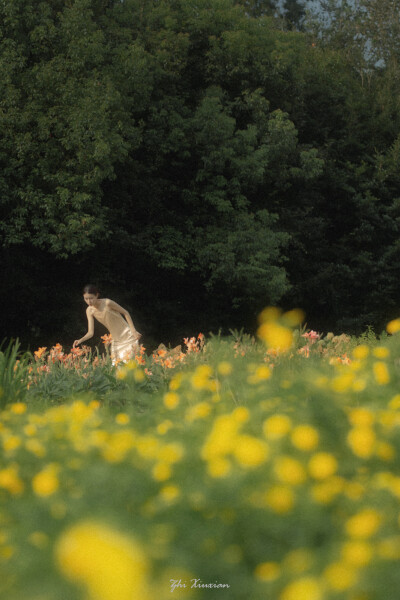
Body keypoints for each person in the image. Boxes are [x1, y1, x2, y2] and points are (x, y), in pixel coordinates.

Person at [73, 284, 142, 363]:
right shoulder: (89, 311)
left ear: (97, 295)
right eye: (86, 299)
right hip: (116, 341)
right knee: (116, 369)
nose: (89, 301)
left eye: (91, 298)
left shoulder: (107, 303)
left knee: (130, 367)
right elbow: (90, 333)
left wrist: (133, 331)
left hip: (128, 336)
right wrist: (80, 340)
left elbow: (125, 312)